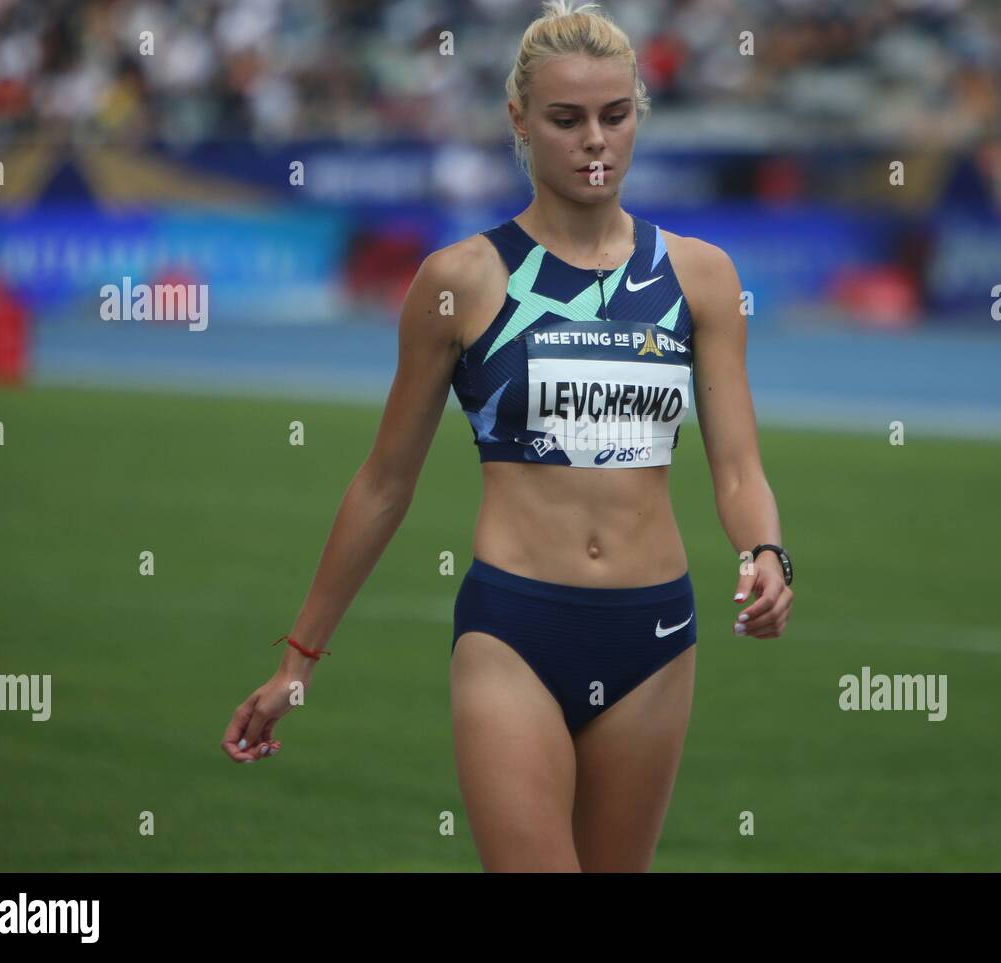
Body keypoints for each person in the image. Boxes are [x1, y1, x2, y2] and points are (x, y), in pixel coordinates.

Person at [221, 0, 794, 872]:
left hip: (654, 631)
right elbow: (385, 481)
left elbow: (738, 465)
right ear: (519, 121)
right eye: (566, 120)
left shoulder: (702, 277)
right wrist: (298, 659)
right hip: (513, 630)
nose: (594, 140)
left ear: (640, 111)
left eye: (615, 114)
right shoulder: (459, 281)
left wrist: (766, 550)